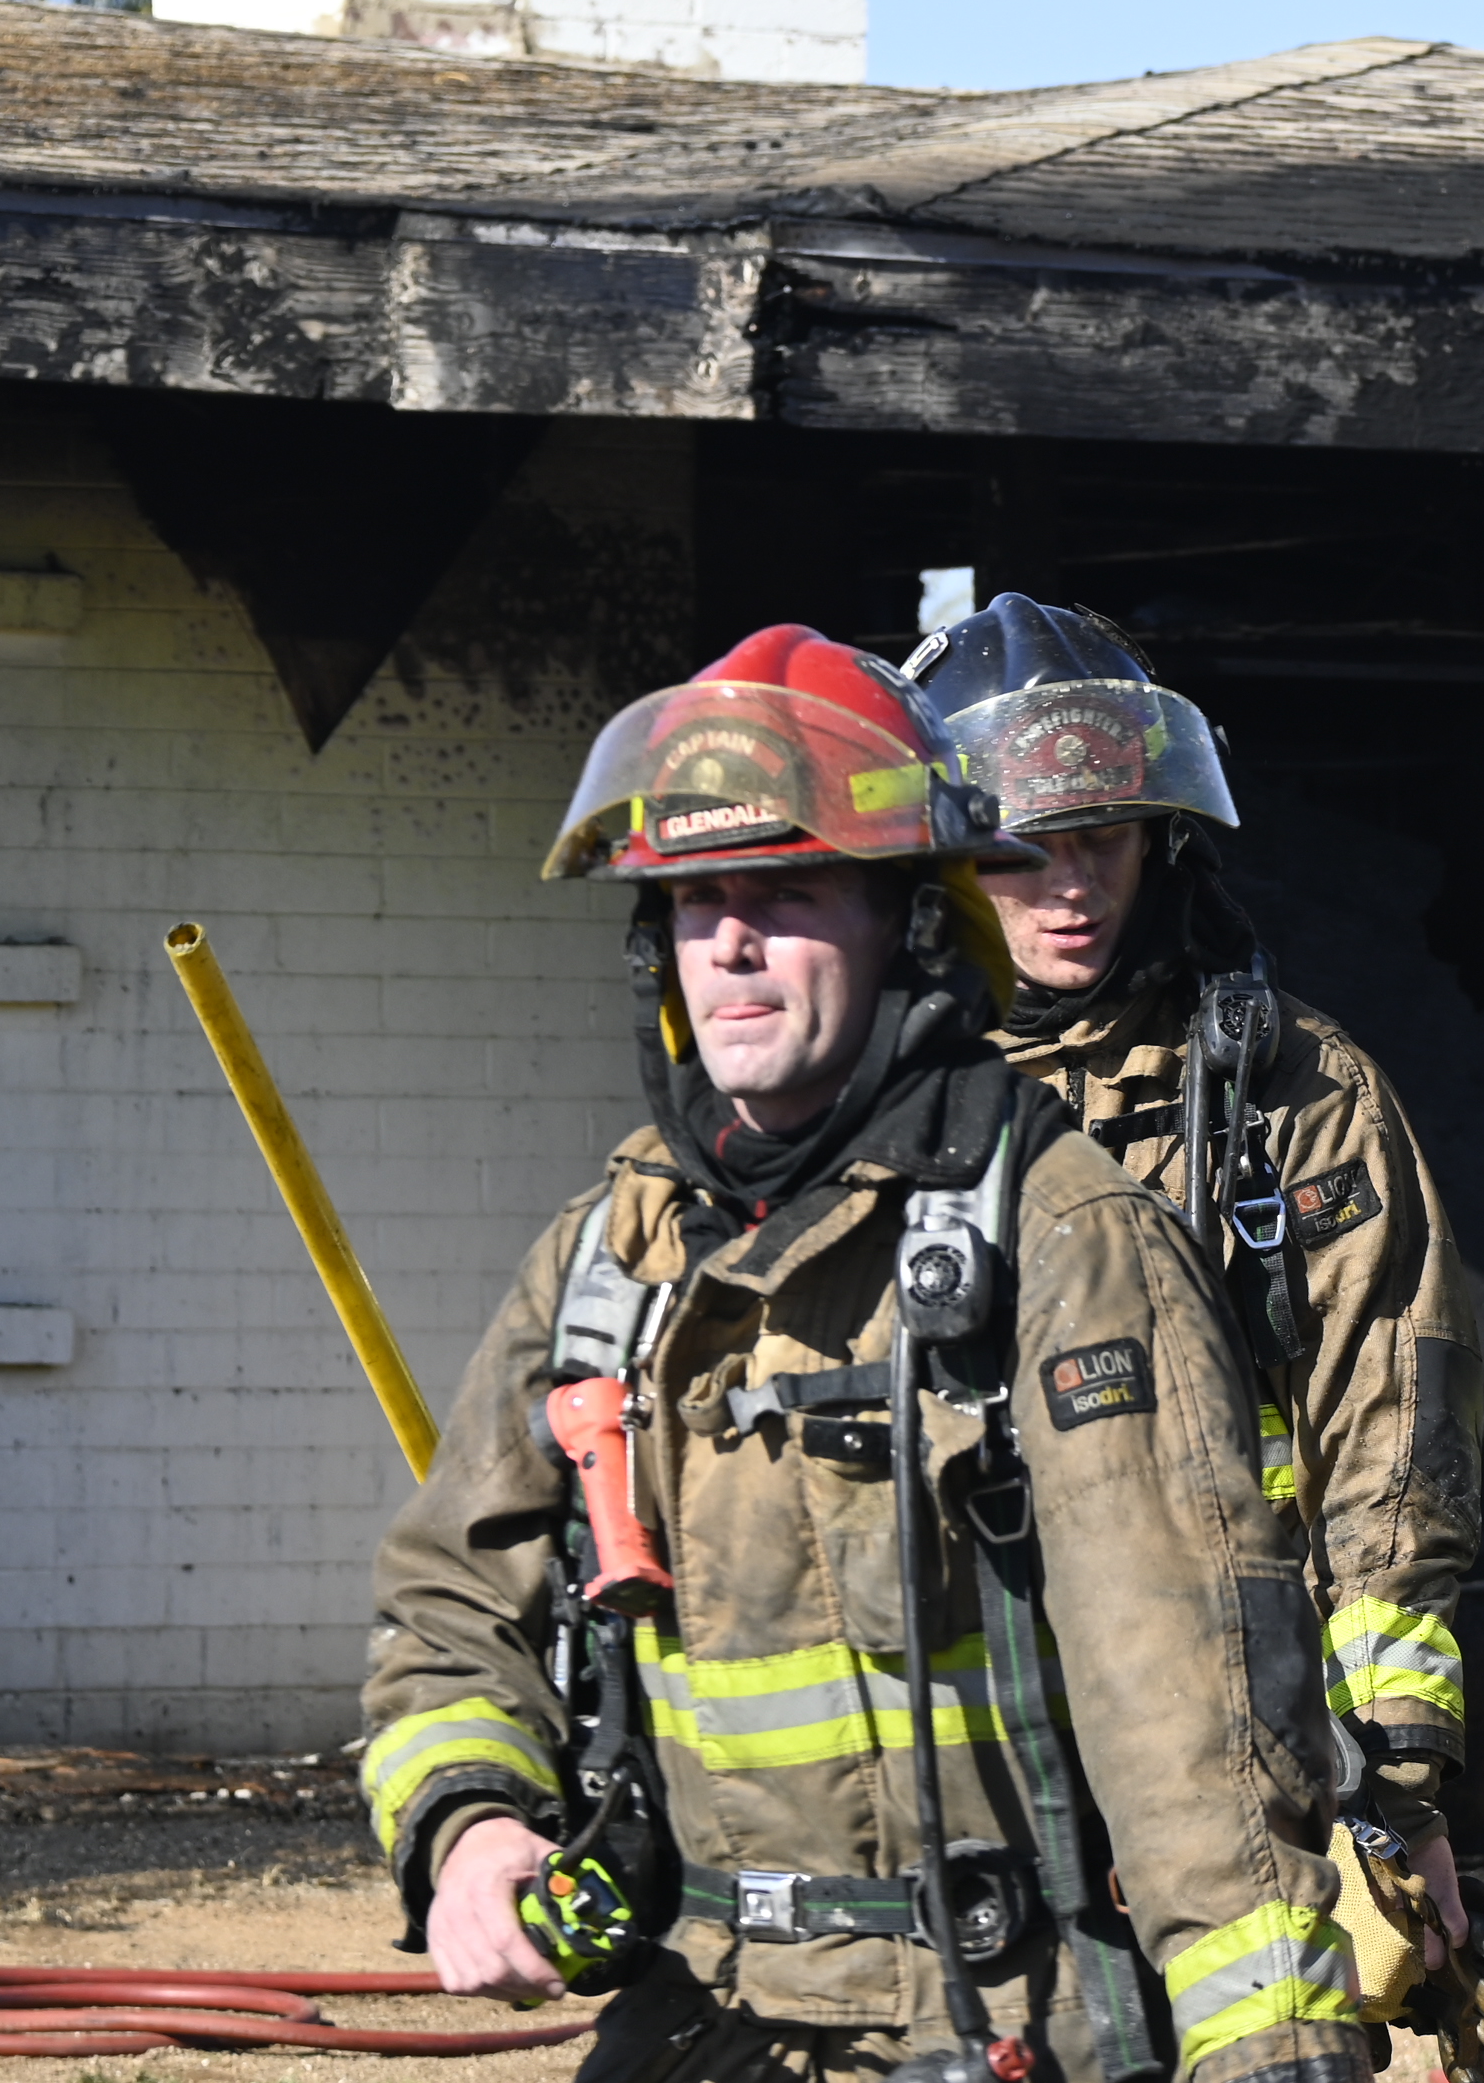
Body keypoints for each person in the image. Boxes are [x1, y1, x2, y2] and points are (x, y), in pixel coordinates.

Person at [364, 624, 1369, 2083]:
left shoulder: (1062, 1237)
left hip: (996, 2015)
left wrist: (1271, 2050)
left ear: (910, 923)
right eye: (697, 899)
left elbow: (1190, 1711)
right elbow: (453, 1599)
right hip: (706, 2009)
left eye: (788, 891)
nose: (732, 943)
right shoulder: (612, 1257)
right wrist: (468, 1822)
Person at [904, 598, 1484, 1941]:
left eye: (1103, 838)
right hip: (964, 1727)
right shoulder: (878, 1109)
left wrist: (1394, 1781)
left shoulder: (1294, 1095)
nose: (1071, 887)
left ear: (1162, 839)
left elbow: (1392, 1438)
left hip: (1233, 1709)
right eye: (1023, 848)